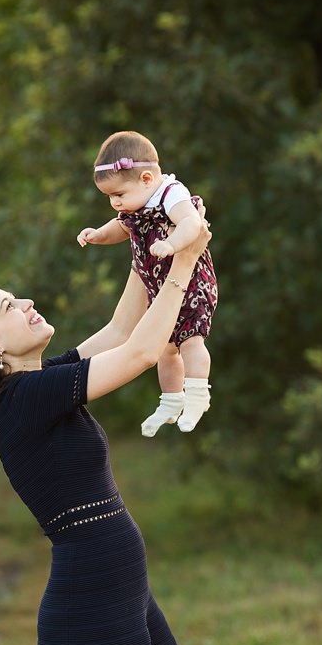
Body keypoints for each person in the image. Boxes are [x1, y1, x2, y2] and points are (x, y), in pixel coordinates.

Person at [0, 213, 212, 645]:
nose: (27, 303)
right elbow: (141, 352)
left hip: (111, 584)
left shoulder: (37, 383)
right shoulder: (25, 398)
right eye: (9, 307)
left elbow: (123, 328)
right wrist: (185, 259)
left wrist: (148, 233)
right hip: (95, 594)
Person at [77, 130, 218, 435]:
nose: (115, 203)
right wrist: (98, 235)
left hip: (192, 285)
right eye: (110, 197)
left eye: (118, 195)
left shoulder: (171, 194)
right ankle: (171, 400)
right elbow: (122, 228)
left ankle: (198, 394)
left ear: (146, 179)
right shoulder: (134, 206)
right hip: (160, 287)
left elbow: (192, 223)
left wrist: (172, 245)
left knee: (191, 340)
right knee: (166, 349)